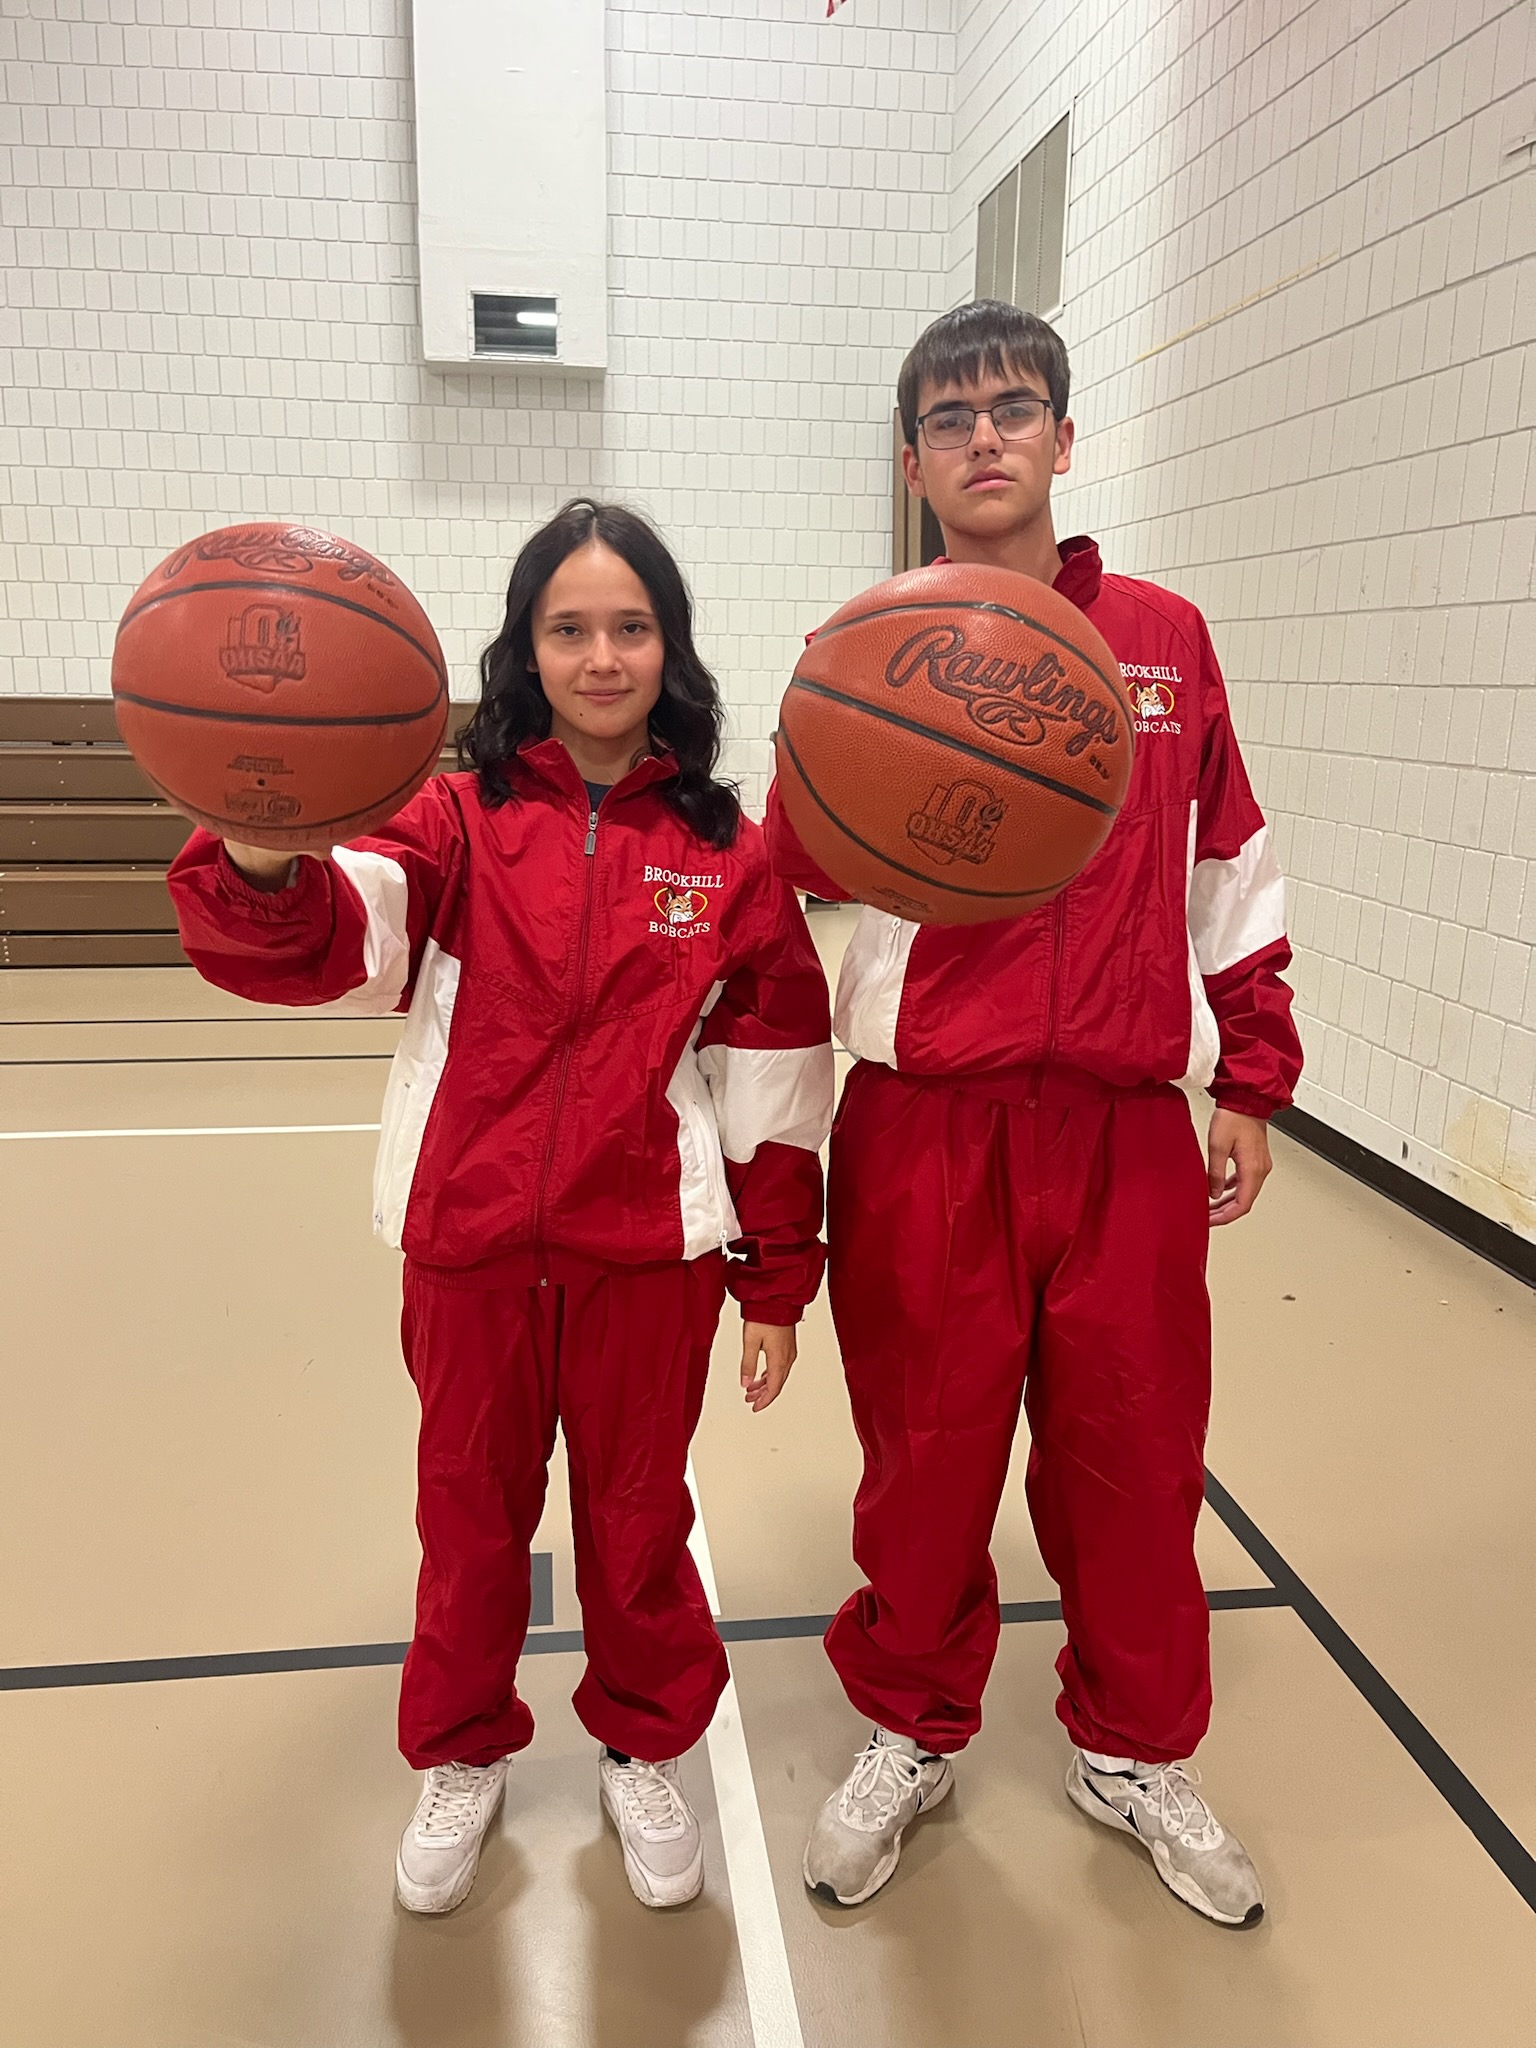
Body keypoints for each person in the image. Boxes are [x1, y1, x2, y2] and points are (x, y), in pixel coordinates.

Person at [167, 499, 834, 1915]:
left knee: (638, 1524)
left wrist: (774, 1282)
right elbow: (329, 939)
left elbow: (771, 1081)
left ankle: (642, 1746)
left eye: (631, 627)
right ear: (527, 650)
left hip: (648, 1256)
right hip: (467, 1248)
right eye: (568, 628)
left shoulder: (730, 850)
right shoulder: (449, 821)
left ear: (671, 646)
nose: (602, 658)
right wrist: (262, 855)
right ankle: (462, 1751)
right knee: (469, 1519)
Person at [767, 302, 1303, 1926]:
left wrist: (1254, 1073)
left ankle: (1131, 1748)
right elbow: (790, 864)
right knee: (924, 1463)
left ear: (1066, 438)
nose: (985, 436)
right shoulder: (863, 646)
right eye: (951, 416)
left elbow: (1231, 865)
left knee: (1133, 1461)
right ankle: (913, 1727)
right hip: (927, 1123)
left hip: (1123, 1128)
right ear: (913, 461)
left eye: (1014, 408)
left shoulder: (1164, 639)